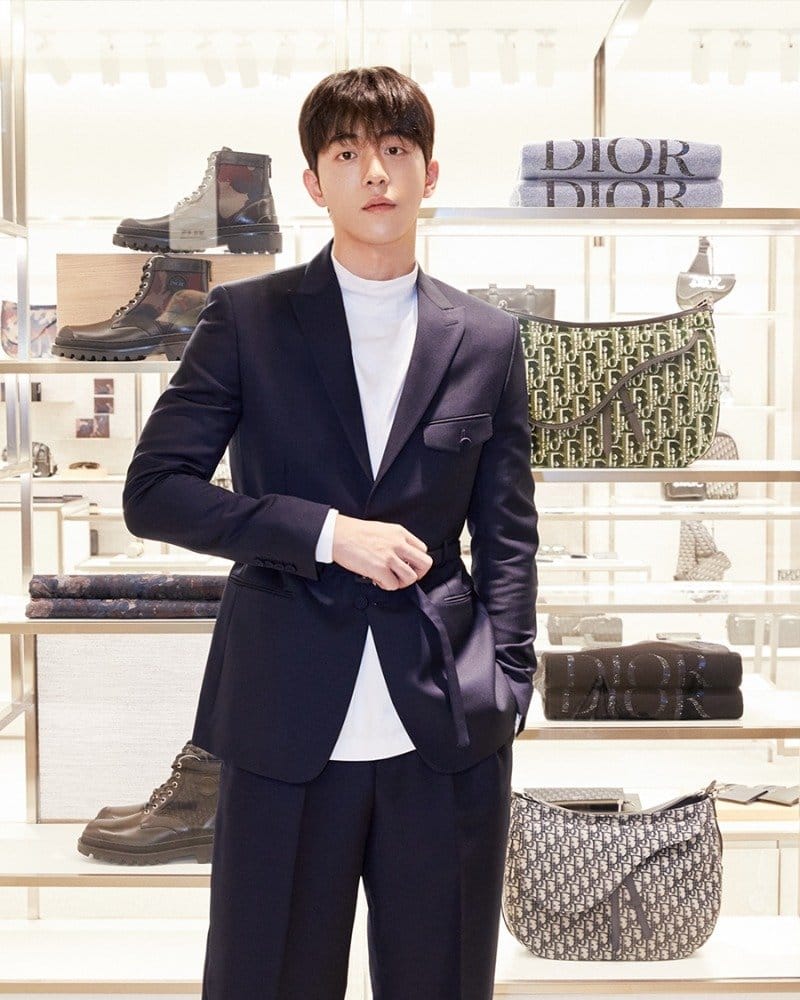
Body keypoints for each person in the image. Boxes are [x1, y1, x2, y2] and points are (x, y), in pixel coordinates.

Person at [122, 65, 538, 1000]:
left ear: (430, 173)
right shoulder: (248, 320)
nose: (375, 172)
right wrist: (323, 533)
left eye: (395, 149)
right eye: (347, 154)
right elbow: (155, 493)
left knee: (442, 982)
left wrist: (508, 681)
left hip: (446, 722)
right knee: (267, 979)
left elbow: (508, 534)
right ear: (315, 183)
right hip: (282, 716)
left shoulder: (487, 338)